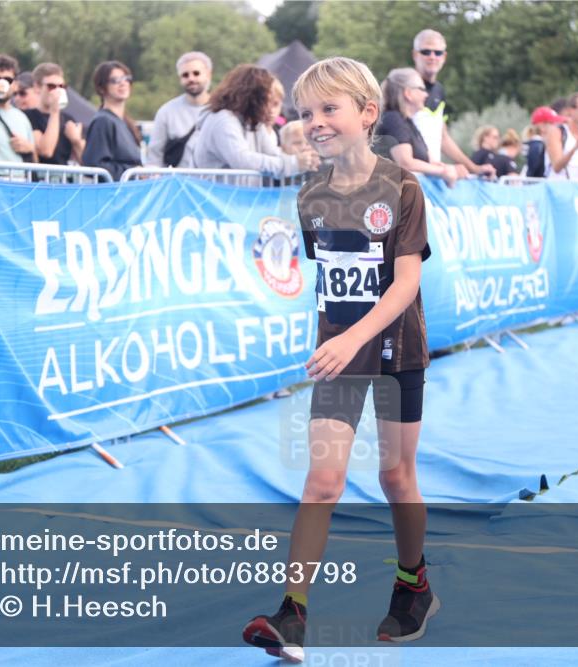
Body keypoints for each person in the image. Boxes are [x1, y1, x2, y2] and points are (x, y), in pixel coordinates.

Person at [242, 56, 437, 661]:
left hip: (396, 350)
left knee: (394, 477)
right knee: (322, 482)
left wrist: (357, 338)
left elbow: (404, 284)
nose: (315, 123)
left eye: (329, 109)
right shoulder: (310, 197)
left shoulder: (403, 186)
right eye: (306, 113)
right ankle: (291, 614)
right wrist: (340, 341)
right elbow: (333, 282)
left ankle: (414, 585)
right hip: (340, 357)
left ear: (367, 113)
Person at [190, 64, 318, 180]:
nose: (269, 108)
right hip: (212, 200)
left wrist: (304, 158)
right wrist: (294, 163)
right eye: (265, 100)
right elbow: (242, 161)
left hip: (232, 200)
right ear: (251, 97)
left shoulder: (253, 122)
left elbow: (272, 153)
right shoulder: (223, 120)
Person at [410, 29, 494, 178]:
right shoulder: (402, 86)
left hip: (431, 179)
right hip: (405, 178)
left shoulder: (439, 90)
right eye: (426, 52)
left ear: (444, 56)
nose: (432, 57)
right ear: (415, 55)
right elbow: (392, 136)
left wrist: (474, 168)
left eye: (438, 53)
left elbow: (443, 138)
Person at [373, 67, 462, 187]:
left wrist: (452, 169)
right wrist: (443, 171)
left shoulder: (407, 122)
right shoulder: (393, 119)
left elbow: (429, 163)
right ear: (408, 93)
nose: (426, 94)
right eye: (422, 89)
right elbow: (405, 163)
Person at [147, 51, 212, 168]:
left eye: (196, 73)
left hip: (212, 183)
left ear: (208, 74)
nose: (191, 78)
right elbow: (155, 155)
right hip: (177, 183)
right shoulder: (166, 112)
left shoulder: (221, 110)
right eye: (185, 75)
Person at [81, 60, 143, 181]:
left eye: (126, 79)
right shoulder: (102, 122)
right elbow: (96, 167)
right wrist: (134, 174)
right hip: (113, 195)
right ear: (101, 88)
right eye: (115, 80)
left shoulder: (126, 122)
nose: (123, 84)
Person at [23, 63, 85, 167]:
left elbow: (88, 162)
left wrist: (77, 141)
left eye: (61, 86)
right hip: (39, 180)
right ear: (37, 87)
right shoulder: (28, 116)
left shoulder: (68, 119)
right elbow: (46, 151)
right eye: (51, 86)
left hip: (64, 180)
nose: (58, 91)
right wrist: (55, 111)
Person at [544, 91, 578, 181]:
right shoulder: (557, 131)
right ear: (571, 110)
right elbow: (557, 167)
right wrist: (576, 146)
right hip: (557, 188)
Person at [522, 106, 567, 178]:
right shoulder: (537, 145)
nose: (557, 127)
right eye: (553, 123)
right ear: (542, 126)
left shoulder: (538, 144)